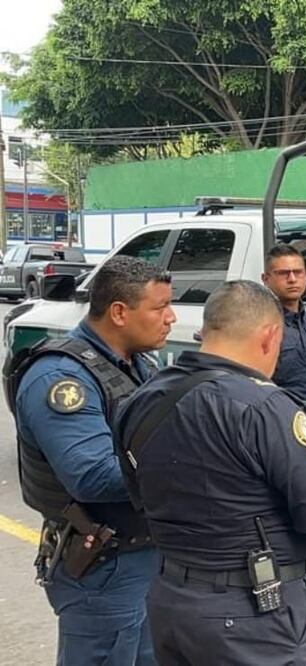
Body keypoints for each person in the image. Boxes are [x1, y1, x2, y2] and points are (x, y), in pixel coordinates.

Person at [112, 281, 306, 666]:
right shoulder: (265, 407)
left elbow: (138, 492)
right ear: (270, 336)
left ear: (206, 332)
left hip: (171, 598)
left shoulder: (143, 399)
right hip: (252, 613)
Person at [7, 255, 174, 666]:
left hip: (144, 558)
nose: (171, 317)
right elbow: (93, 476)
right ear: (119, 312)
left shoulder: (136, 365)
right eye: (159, 307)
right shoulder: (61, 379)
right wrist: (187, 467)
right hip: (105, 566)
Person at [261, 243, 306, 611]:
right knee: (290, 514)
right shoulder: (261, 328)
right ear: (266, 278)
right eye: (283, 273)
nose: (292, 279)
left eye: (298, 272)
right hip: (285, 435)